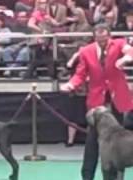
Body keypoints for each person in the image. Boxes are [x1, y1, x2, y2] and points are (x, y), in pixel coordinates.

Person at [60, 23, 133, 180]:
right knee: (92, 142)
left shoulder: (119, 43)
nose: (102, 41)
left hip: (117, 100)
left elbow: (129, 50)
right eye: (99, 38)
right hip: (97, 102)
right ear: (94, 37)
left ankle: (115, 176)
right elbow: (80, 74)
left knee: (120, 143)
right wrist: (71, 84)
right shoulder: (86, 51)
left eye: (105, 38)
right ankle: (87, 176)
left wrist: (126, 58)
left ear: (109, 36)